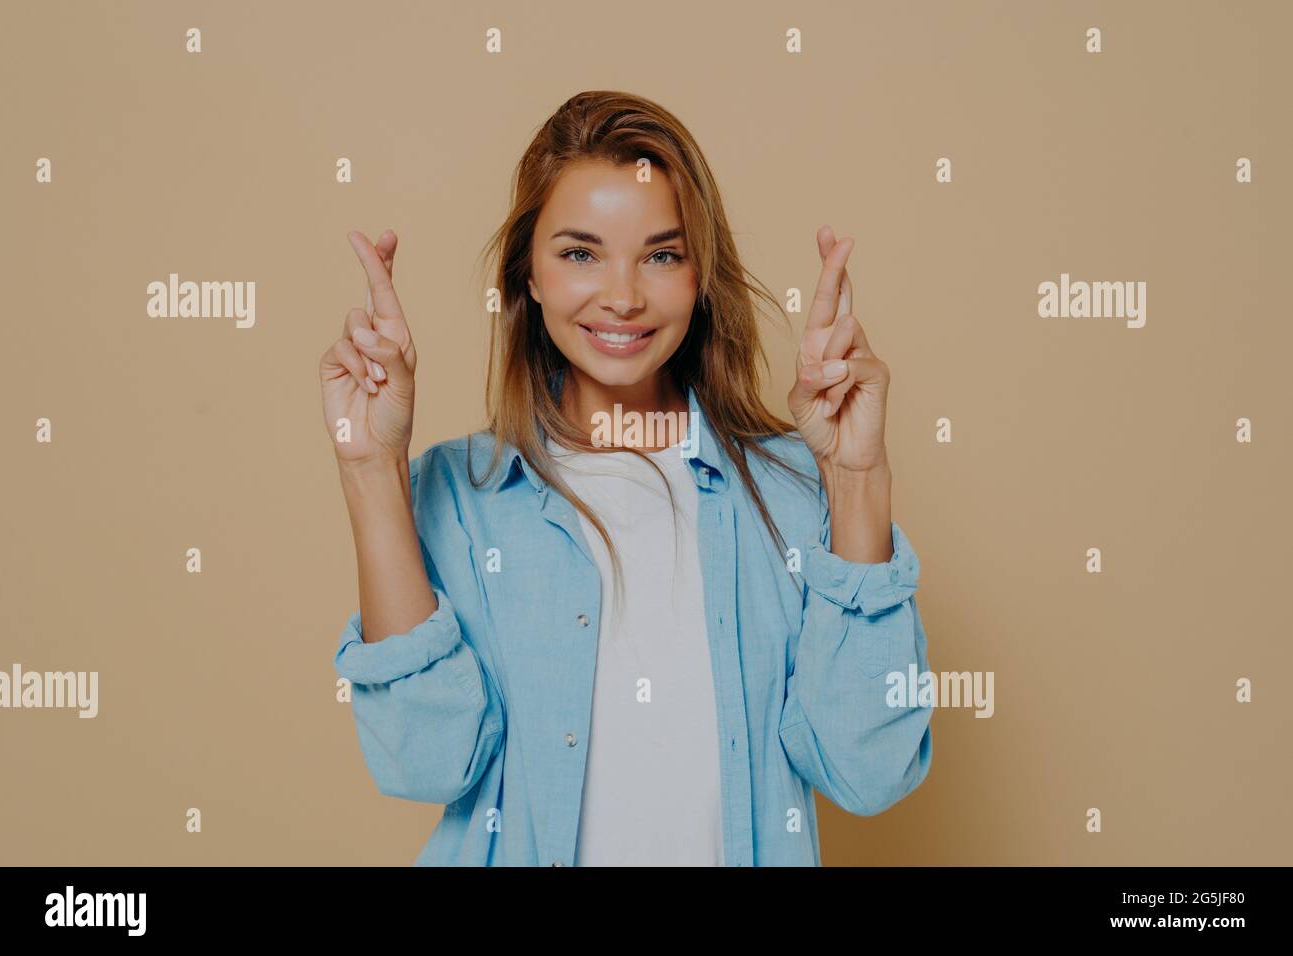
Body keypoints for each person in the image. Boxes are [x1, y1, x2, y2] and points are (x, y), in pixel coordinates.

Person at [318, 90, 932, 867]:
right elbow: (425, 765)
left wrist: (858, 477)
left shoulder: (793, 493)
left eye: (662, 254)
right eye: (579, 253)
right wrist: (371, 470)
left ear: (700, 275)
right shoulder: (459, 497)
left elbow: (868, 771)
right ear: (529, 277)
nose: (623, 295)